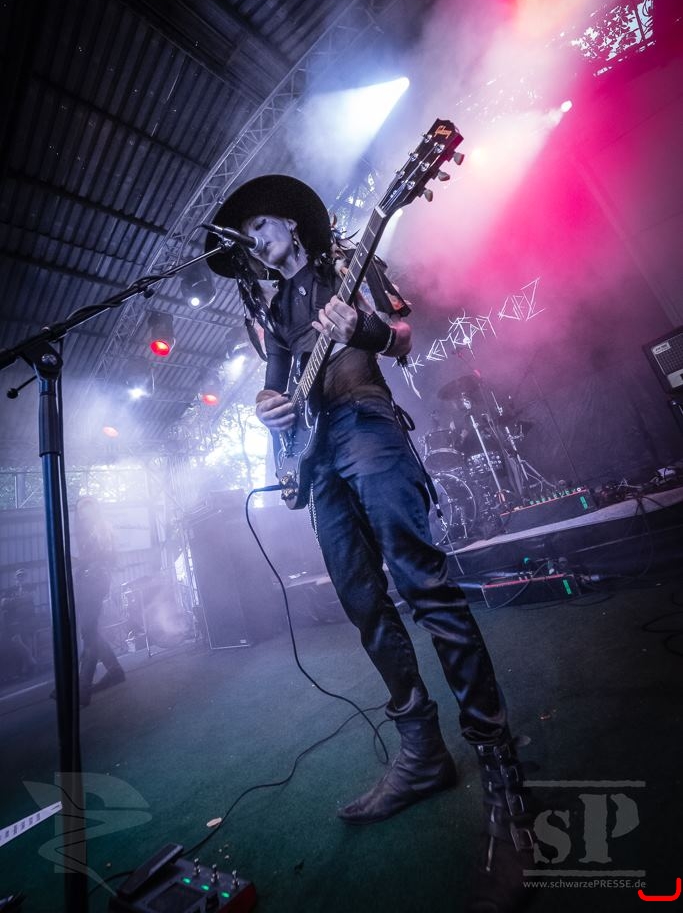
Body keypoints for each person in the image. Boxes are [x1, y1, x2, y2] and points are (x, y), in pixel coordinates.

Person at [205, 176, 537, 910]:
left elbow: (403, 338)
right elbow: (275, 391)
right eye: (245, 237)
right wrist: (268, 409)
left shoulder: (350, 267)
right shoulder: (267, 310)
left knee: (425, 586)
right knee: (361, 601)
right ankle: (422, 753)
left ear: (291, 224)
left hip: (367, 427)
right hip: (316, 459)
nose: (253, 243)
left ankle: (503, 776)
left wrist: (361, 329)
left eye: (259, 227)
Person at [72, 496, 125, 706]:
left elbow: (104, 556)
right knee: (90, 631)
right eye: (79, 508)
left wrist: (76, 561)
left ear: (94, 509)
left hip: (95, 581)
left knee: (89, 632)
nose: (82, 511)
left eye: (86, 507)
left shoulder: (102, 527)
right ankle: (114, 671)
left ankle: (83, 687)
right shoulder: (86, 531)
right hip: (89, 582)